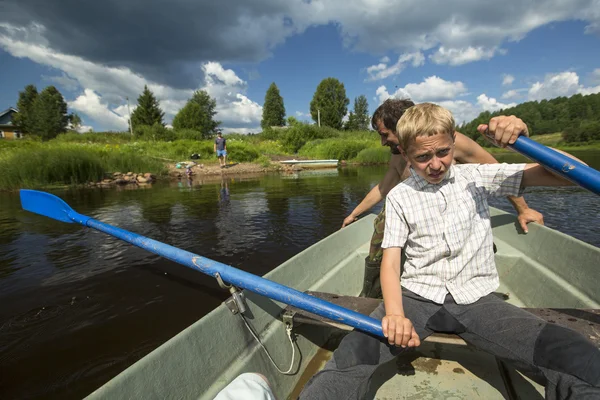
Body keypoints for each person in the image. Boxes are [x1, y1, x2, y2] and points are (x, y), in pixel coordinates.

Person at [299, 103, 600, 400]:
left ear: (454, 141)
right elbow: (390, 262)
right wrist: (395, 314)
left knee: (573, 352)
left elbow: (572, 174)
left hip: (476, 299)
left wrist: (523, 144)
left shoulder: (477, 177)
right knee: (352, 353)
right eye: (422, 156)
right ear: (404, 154)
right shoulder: (401, 197)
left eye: (443, 152)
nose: (435, 164)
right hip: (415, 297)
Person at [342, 98, 544, 298]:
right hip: (416, 215)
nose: (383, 141)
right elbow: (383, 187)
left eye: (384, 134)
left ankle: (474, 285)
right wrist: (354, 213)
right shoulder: (397, 155)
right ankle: (375, 293)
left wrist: (523, 209)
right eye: (422, 157)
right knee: (381, 234)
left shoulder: (450, 141)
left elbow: (498, 174)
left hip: (456, 217)